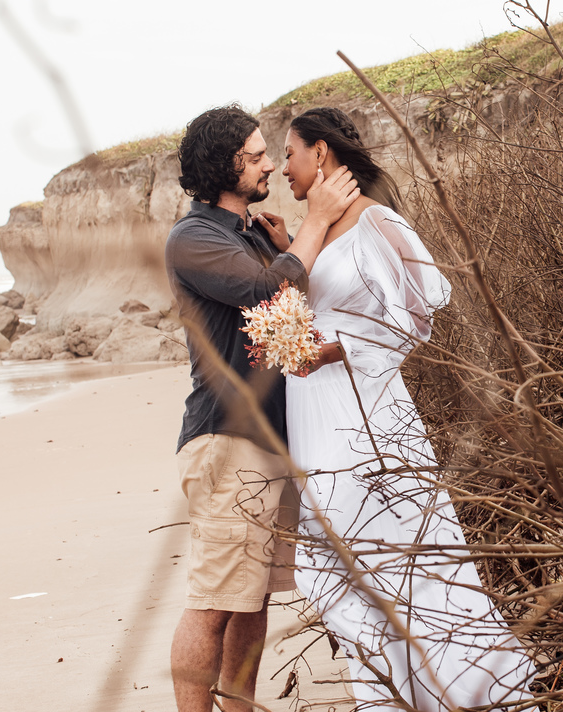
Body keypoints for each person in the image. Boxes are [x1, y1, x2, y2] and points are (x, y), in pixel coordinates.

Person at [277, 107, 532, 710]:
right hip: (312, 413)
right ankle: (385, 698)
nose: (283, 168)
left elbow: (423, 313)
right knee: (347, 570)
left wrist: (339, 346)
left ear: (320, 153)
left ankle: (467, 692)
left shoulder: (375, 220)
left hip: (363, 407)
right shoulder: (314, 229)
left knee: (399, 555)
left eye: (288, 154)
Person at [165, 104, 359, 712]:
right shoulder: (192, 238)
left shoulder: (251, 234)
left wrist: (354, 347)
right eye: (254, 156)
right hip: (227, 440)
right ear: (223, 166)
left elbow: (286, 342)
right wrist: (316, 222)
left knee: (252, 601)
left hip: (272, 442)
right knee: (216, 600)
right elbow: (266, 291)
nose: (269, 163)